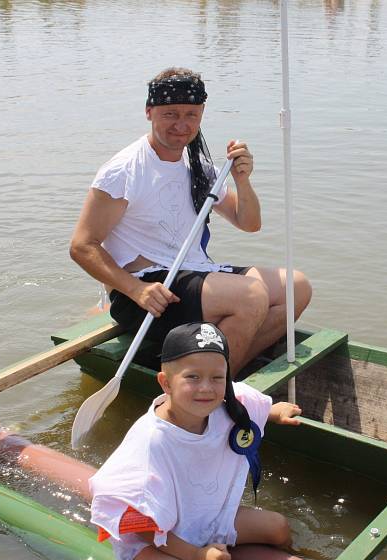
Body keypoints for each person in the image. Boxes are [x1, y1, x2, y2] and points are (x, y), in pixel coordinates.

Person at [70, 67, 312, 376]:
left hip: (193, 271)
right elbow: (82, 245)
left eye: (191, 115)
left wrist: (242, 180)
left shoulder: (198, 166)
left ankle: (220, 376)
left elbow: (249, 223)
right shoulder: (124, 171)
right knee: (252, 296)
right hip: (148, 291)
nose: (181, 125)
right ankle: (214, 389)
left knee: (297, 287)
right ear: (149, 112)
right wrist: (136, 290)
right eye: (170, 114)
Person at [89, 322, 301, 560]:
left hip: (206, 517)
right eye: (192, 377)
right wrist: (196, 556)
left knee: (278, 527)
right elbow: (139, 528)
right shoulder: (151, 440)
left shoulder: (226, 405)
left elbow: (246, 403)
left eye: (217, 378)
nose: (206, 388)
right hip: (155, 542)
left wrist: (273, 412)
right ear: (166, 383)